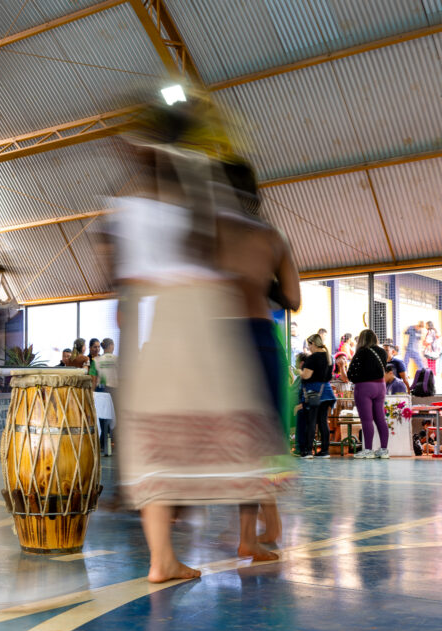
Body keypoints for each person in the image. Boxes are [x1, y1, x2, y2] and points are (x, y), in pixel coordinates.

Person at [108, 99, 289, 584]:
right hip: (194, 315)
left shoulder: (127, 204)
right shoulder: (195, 190)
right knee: (237, 429)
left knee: (156, 440)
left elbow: (120, 277)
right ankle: (248, 533)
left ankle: (161, 559)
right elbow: (205, 250)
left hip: (151, 320)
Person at [216, 157, 301, 544]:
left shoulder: (212, 232)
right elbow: (293, 299)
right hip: (262, 336)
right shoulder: (273, 237)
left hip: (222, 337)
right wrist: (262, 280)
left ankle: (249, 534)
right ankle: (265, 525)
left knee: (237, 439)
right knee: (261, 438)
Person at [346, 329, 390, 459]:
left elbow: (351, 373)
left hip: (364, 387)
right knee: (380, 418)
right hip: (381, 386)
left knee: (367, 420)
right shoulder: (382, 352)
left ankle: (368, 450)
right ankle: (384, 450)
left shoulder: (361, 352)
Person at [299, 334, 336, 459]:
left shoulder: (313, 358)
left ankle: (308, 451)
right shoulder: (329, 357)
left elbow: (306, 375)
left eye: (309, 345)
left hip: (313, 392)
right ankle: (325, 451)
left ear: (313, 344)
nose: (309, 348)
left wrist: (298, 371)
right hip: (326, 392)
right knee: (323, 421)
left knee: (311, 421)